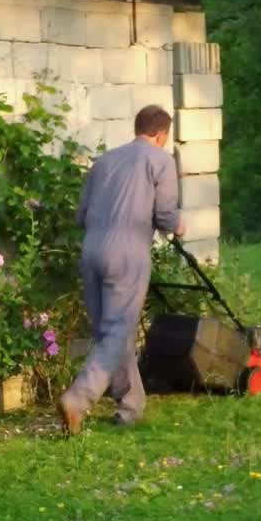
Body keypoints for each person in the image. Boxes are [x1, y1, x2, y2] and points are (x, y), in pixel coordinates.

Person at [58, 105, 185, 435]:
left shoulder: (105, 161)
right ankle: (78, 399)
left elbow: (81, 214)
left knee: (110, 332)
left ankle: (131, 406)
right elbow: (167, 216)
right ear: (162, 135)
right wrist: (178, 226)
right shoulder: (160, 161)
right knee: (117, 331)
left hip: (92, 250)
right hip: (127, 252)